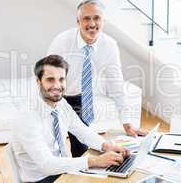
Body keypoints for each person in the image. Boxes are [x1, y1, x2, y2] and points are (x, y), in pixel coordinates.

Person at [48, 0, 147, 157]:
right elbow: (48, 77)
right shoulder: (62, 42)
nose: (92, 23)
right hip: (55, 96)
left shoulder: (109, 45)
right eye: (86, 18)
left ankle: (78, 175)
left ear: (103, 21)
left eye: (97, 18)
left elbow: (116, 85)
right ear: (78, 21)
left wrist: (127, 123)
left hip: (81, 97)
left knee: (82, 147)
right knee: (53, 144)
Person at [11, 55, 129, 183]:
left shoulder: (61, 104)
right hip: (42, 178)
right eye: (50, 79)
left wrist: (106, 146)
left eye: (61, 79)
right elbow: (47, 165)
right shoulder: (27, 116)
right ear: (38, 81)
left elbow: (83, 131)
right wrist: (95, 161)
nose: (57, 85)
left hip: (64, 170)